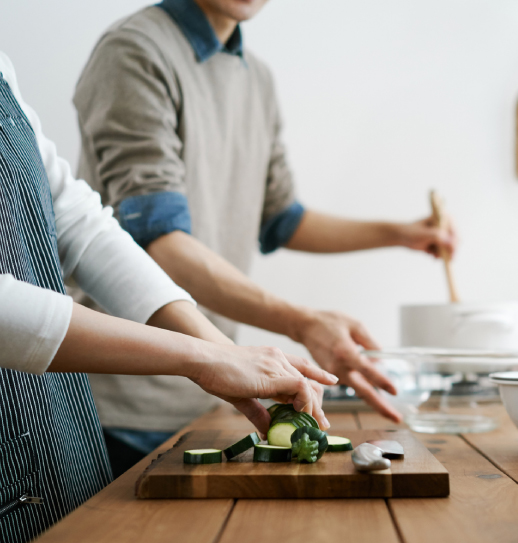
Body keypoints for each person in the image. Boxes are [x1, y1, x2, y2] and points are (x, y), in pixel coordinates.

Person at [73, 0, 458, 475]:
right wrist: (301, 321)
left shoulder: (256, 76)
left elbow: (280, 218)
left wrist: (400, 234)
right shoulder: (134, 51)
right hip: (121, 406)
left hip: (213, 394)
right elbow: (161, 243)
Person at [0, 51, 334, 543]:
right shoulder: (138, 54)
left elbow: (76, 221)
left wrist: (223, 352)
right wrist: (202, 358)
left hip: (52, 423)